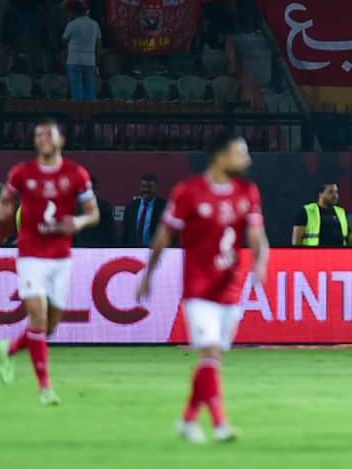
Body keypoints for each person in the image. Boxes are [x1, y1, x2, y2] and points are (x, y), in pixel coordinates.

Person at [137, 132, 269, 443]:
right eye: (241, 153)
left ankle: (188, 420)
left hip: (230, 286)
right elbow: (164, 235)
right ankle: (221, 424)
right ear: (221, 157)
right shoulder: (189, 191)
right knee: (209, 352)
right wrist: (148, 273)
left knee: (213, 358)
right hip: (199, 288)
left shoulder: (247, 191)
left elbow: (255, 235)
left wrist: (261, 262)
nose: (247, 159)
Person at [0, 121, 100, 404]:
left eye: (48, 134)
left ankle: (10, 349)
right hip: (31, 254)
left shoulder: (76, 173)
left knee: (49, 327)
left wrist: (77, 222)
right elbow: (5, 199)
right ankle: (45, 388)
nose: (43, 138)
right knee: (38, 318)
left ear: (61, 140)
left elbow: (93, 213)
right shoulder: (22, 172)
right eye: (38, 135)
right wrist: (3, 209)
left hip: (61, 257)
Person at [293, 183, 352, 247]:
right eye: (331, 192)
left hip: (338, 257)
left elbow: (346, 240)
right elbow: (296, 241)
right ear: (320, 194)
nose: (335, 195)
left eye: (336, 192)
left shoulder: (341, 212)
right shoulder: (307, 211)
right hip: (314, 257)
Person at [62, 1, 101, 102]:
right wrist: (97, 61)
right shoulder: (95, 24)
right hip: (90, 61)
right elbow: (98, 45)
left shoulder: (72, 24)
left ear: (73, 12)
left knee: (76, 91)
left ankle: (78, 110)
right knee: (89, 90)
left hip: (74, 60)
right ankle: (92, 109)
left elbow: (64, 40)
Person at [122, 174, 165, 247]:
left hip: (154, 250)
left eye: (150, 187)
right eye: (144, 186)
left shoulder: (164, 207)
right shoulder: (131, 206)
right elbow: (125, 232)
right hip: (133, 250)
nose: (146, 190)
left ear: (156, 188)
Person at [75, 177, 117, 248]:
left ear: (95, 191)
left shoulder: (104, 207)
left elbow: (112, 232)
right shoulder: (76, 207)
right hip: (80, 249)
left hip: (99, 249)